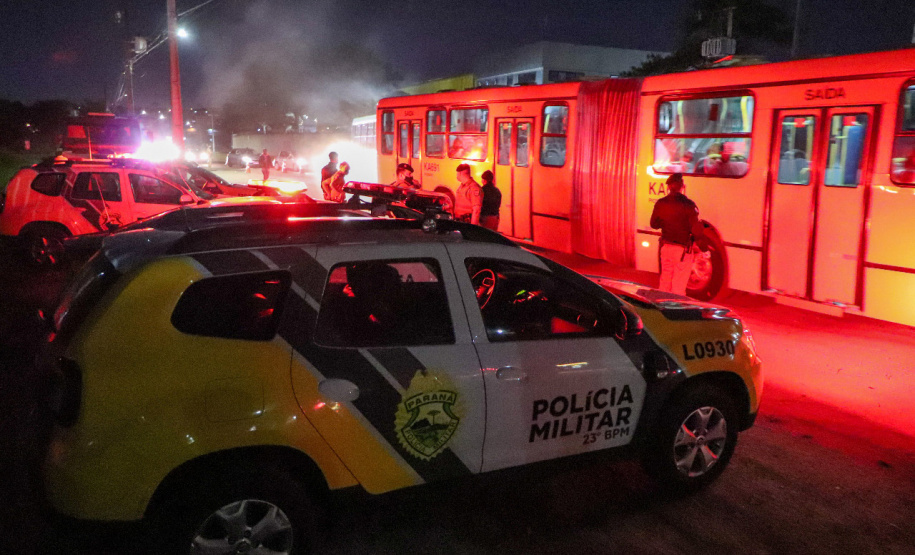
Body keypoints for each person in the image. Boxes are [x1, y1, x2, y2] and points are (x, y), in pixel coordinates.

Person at [649, 173, 708, 296]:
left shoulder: (660, 203)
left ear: (669, 187)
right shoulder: (689, 205)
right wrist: (704, 249)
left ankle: (662, 308)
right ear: (682, 186)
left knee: (665, 283)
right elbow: (696, 230)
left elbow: (654, 224)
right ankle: (675, 311)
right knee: (678, 287)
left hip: (665, 249)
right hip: (682, 251)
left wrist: (665, 222)